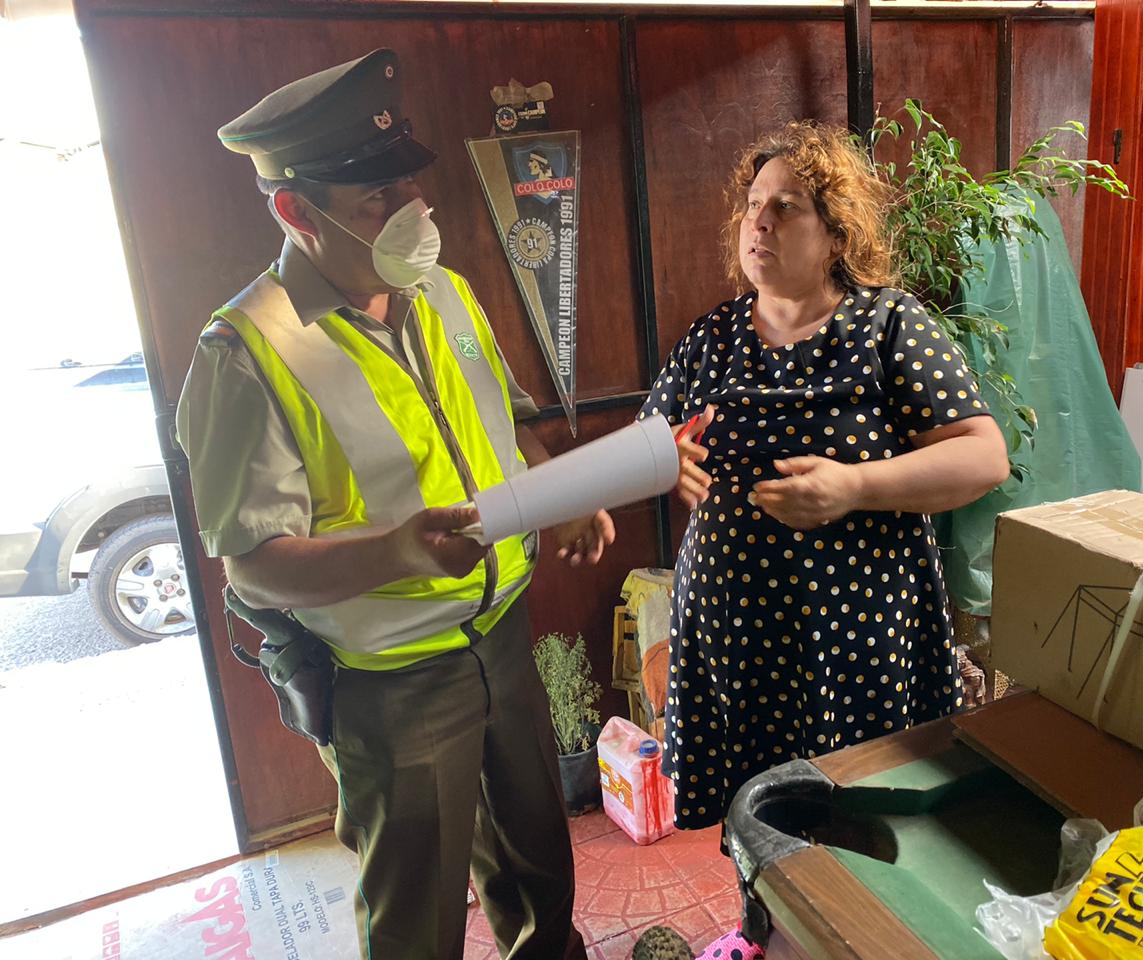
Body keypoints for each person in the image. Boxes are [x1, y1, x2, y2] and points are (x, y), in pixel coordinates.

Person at [176, 49, 611, 960]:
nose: (412, 210)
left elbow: (504, 429)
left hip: (503, 638)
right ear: (296, 212)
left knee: (541, 876)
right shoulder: (247, 353)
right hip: (393, 682)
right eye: (377, 197)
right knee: (415, 919)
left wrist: (559, 496)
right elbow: (252, 566)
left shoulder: (443, 292)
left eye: (409, 182)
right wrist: (400, 553)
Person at [641, 120, 1009, 834]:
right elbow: (648, 441)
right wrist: (666, 460)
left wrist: (854, 487)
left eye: (786, 207)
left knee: (862, 824)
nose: (760, 222)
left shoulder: (888, 325)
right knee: (757, 830)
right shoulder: (711, 338)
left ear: (836, 235)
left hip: (854, 644)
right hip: (735, 642)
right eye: (753, 205)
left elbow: (984, 456)